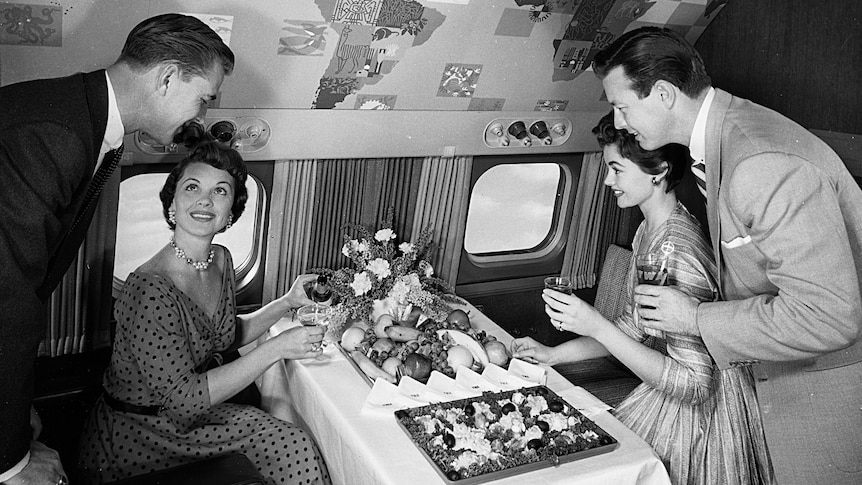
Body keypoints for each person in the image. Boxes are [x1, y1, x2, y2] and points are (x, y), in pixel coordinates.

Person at [591, 26, 862, 484]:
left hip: (823, 388)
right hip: (775, 371)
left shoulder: (759, 162)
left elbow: (830, 316)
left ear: (663, 94)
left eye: (622, 106)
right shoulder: (726, 137)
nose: (619, 123)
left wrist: (695, 317)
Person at [0, 13, 234, 485]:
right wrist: (10, 462)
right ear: (168, 77)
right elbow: (7, 300)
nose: (202, 119)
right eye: (204, 100)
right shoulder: (56, 136)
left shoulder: (78, 117)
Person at [511, 112, 773, 484]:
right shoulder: (648, 232)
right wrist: (554, 354)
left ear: (659, 171)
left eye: (616, 169)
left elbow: (695, 385)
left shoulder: (677, 250)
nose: (606, 180)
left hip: (704, 417)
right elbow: (634, 326)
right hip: (671, 391)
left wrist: (596, 325)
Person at [77, 142, 330, 484]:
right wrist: (278, 348)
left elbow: (227, 335)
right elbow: (184, 400)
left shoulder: (221, 260)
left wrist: (287, 302)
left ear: (230, 214)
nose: (205, 200)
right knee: (291, 445)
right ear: (172, 205)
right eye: (192, 187)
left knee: (293, 442)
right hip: (141, 431)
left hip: (192, 419)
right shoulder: (149, 288)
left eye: (220, 191)